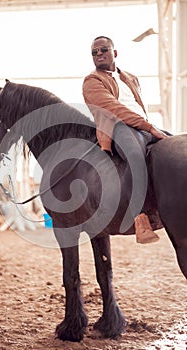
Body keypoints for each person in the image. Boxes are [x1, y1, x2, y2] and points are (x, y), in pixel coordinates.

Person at [82, 35, 169, 244]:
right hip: (118, 127)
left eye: (103, 49)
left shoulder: (130, 77)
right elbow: (115, 109)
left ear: (115, 52)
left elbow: (136, 106)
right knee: (134, 154)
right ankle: (140, 217)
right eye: (95, 52)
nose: (99, 54)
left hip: (143, 124)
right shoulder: (92, 81)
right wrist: (148, 127)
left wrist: (149, 126)